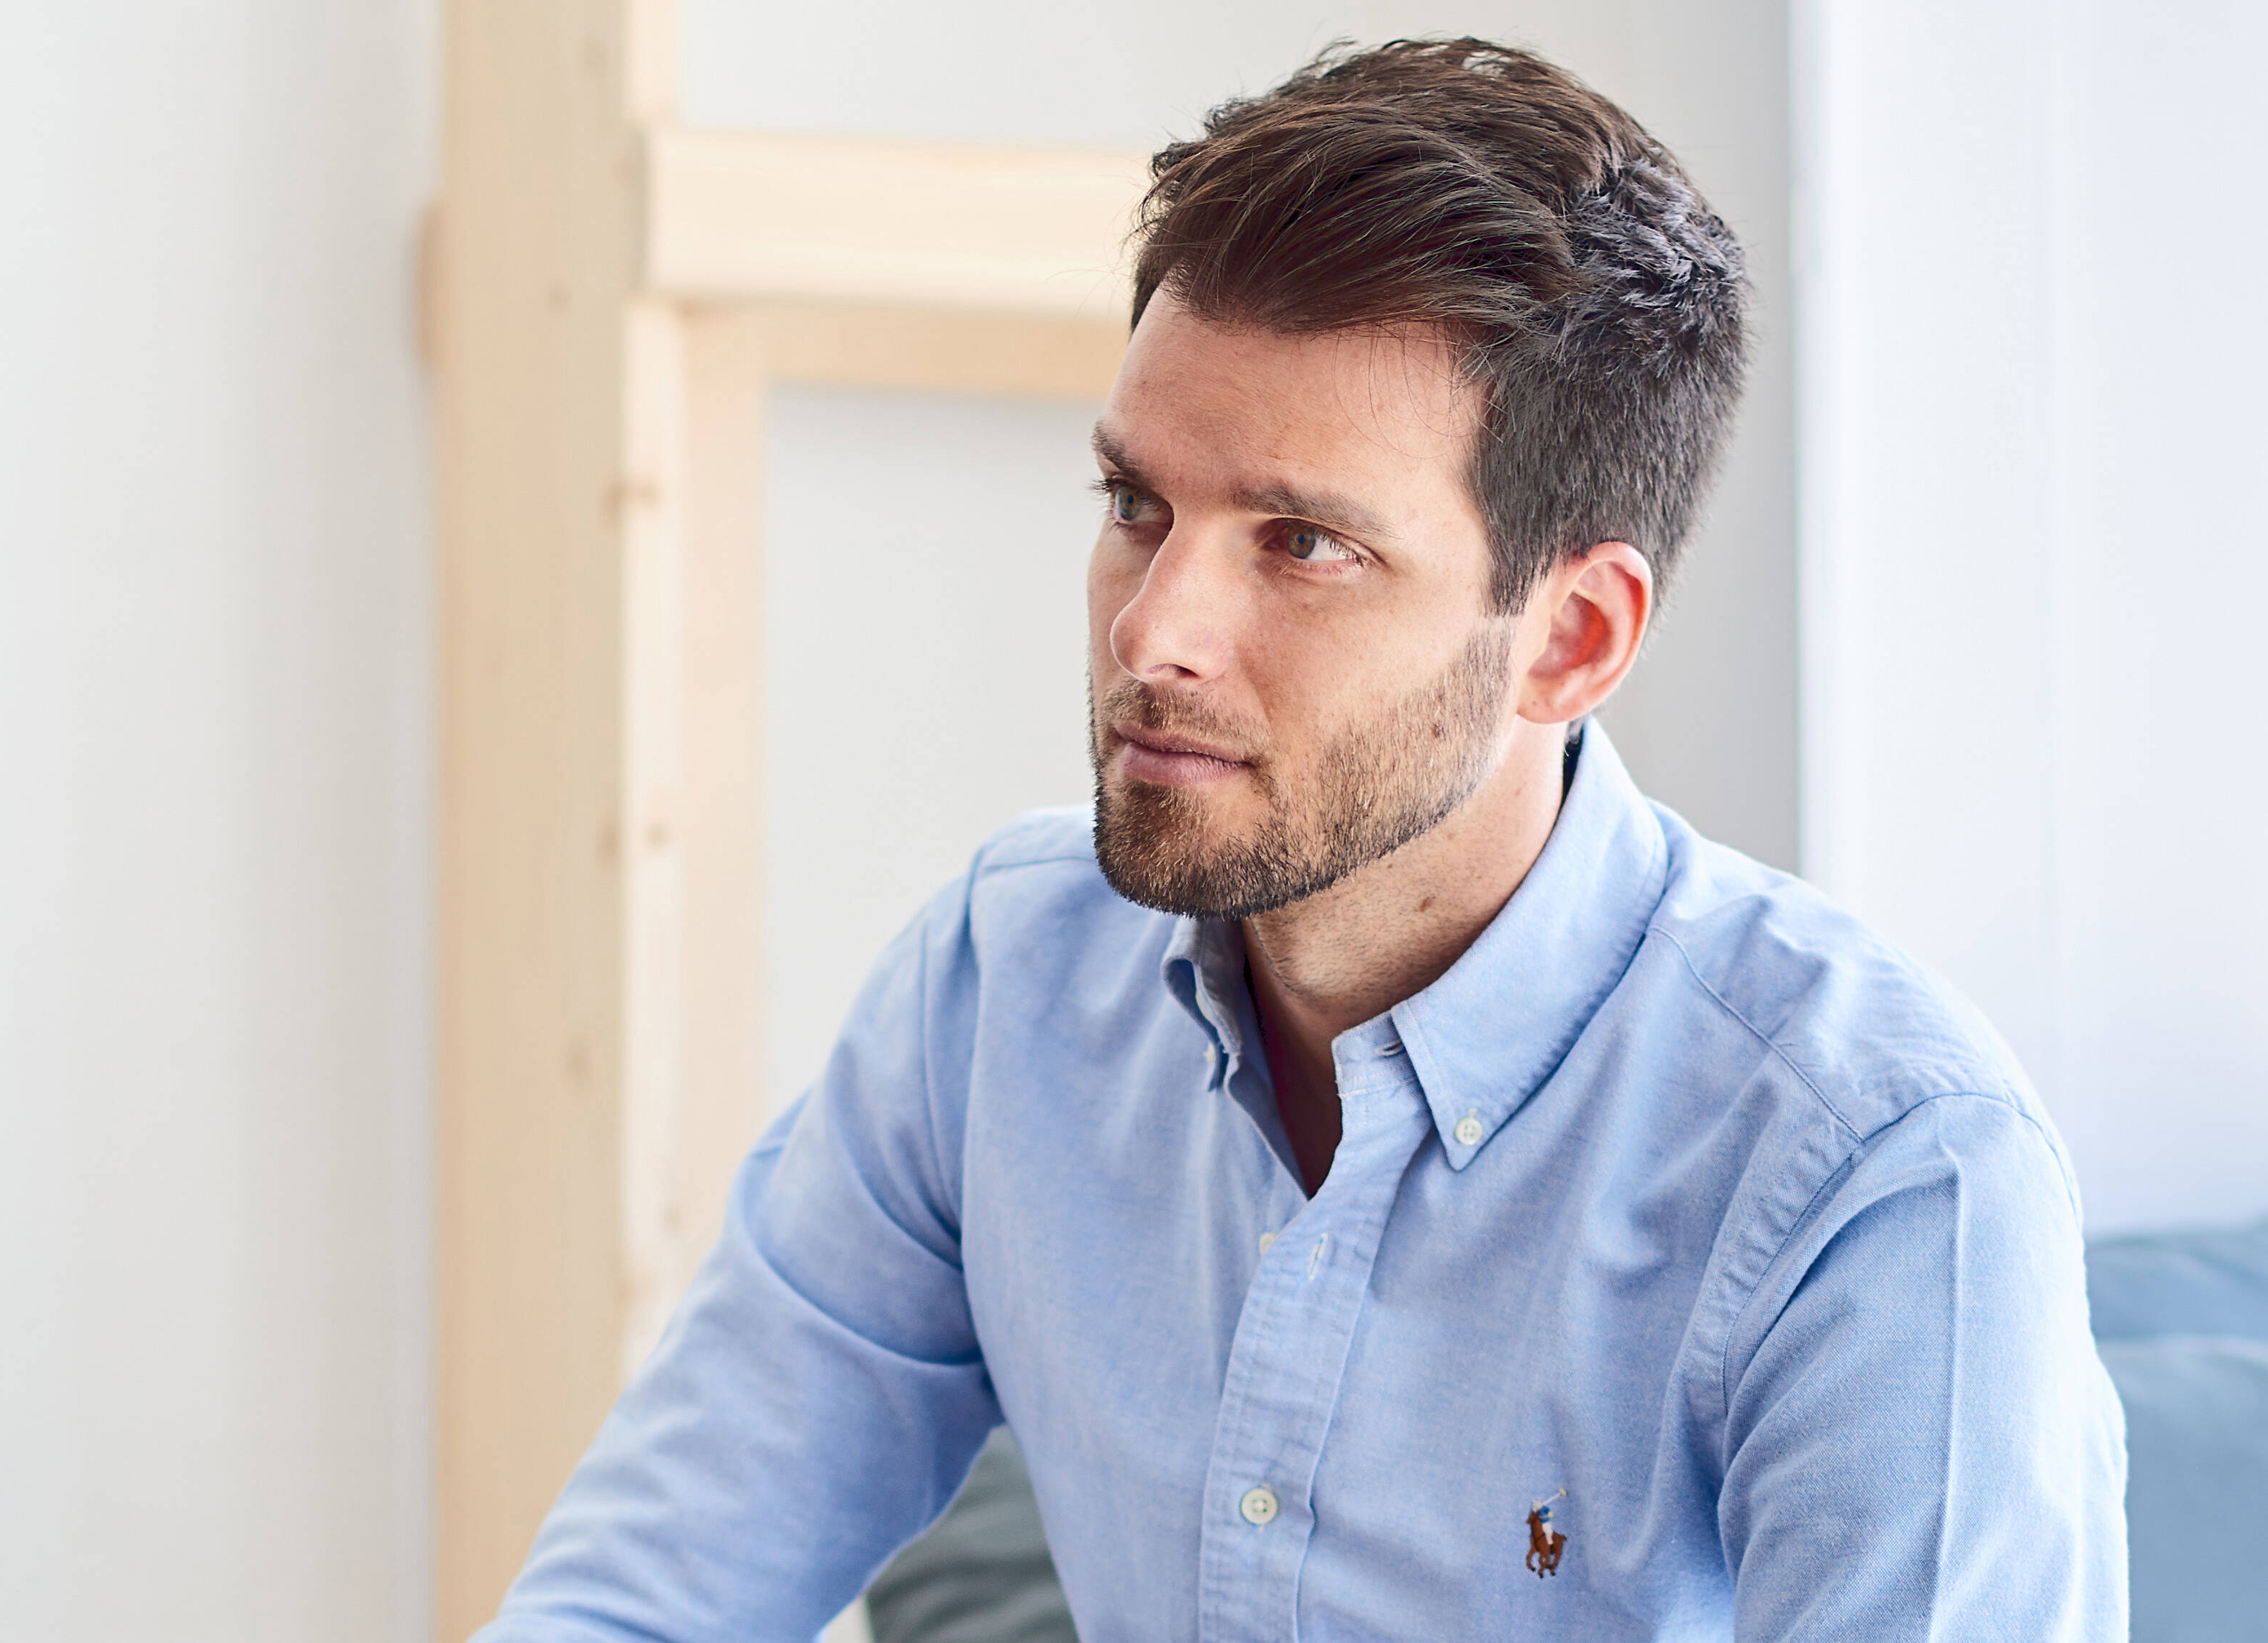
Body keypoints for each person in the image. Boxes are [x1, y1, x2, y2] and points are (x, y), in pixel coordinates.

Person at [475, 40, 2126, 1642]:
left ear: (1569, 638)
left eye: (1303, 543)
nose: (1152, 631)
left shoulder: (1882, 1170)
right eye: (1136, 505)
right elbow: (639, 1599)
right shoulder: (1002, 986)